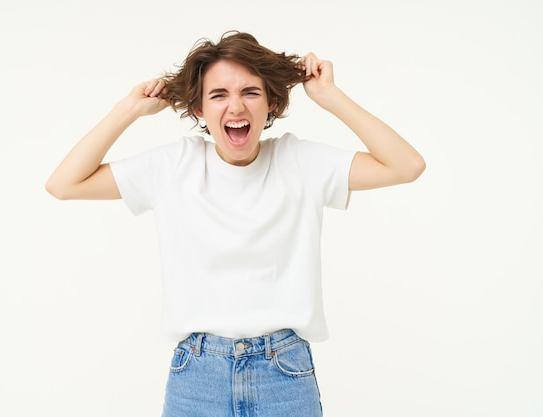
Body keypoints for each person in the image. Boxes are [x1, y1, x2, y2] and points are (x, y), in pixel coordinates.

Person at [45, 31, 425, 417]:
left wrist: (331, 98)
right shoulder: (175, 166)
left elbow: (406, 166)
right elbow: (63, 184)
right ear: (198, 109)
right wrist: (128, 109)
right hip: (197, 376)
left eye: (250, 92)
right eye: (218, 95)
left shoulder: (299, 162)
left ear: (271, 101)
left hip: (284, 374)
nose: (235, 106)